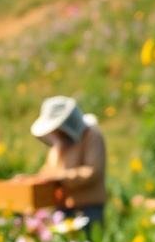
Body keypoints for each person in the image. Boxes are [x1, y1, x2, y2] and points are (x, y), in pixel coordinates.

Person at [31, 96, 107, 226]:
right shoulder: (59, 143)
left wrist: (60, 176)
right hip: (63, 208)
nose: (55, 132)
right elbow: (48, 170)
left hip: (88, 207)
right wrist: (32, 179)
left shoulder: (92, 136)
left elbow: (92, 172)